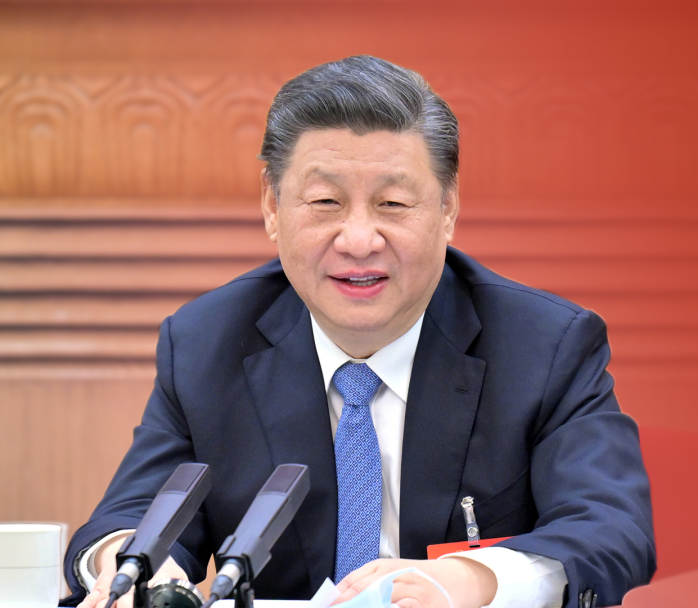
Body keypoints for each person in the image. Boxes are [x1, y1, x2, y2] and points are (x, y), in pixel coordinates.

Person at [64, 55, 655, 608]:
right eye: (325, 201)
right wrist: (131, 569)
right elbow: (133, 515)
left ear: (448, 207)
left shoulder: (544, 345)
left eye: (393, 204)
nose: (358, 240)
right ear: (272, 205)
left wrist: (471, 580)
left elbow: (610, 528)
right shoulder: (207, 342)